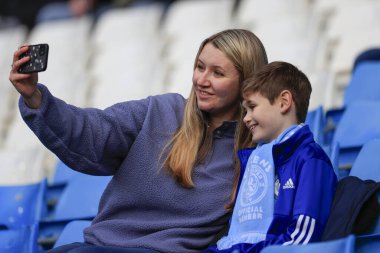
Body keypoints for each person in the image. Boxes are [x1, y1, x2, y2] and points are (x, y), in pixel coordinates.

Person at [9, 29, 268, 253]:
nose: (201, 80)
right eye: (199, 67)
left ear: (246, 83)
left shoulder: (257, 153)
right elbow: (91, 132)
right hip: (99, 247)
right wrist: (36, 99)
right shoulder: (160, 110)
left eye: (217, 73)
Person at [203, 61, 338, 253]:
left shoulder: (311, 159)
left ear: (284, 102)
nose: (246, 118)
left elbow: (302, 239)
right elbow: (234, 238)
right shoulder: (256, 160)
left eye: (252, 107)